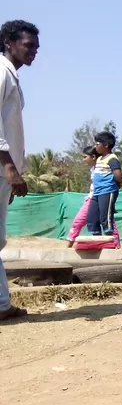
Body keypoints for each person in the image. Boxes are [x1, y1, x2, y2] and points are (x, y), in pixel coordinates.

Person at [0, 20, 39, 322]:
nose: (35, 51)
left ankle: (2, 304)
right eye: (29, 45)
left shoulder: (11, 76)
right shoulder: (1, 71)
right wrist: (9, 168)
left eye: (36, 46)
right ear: (9, 43)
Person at [67, 145, 119, 248]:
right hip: (92, 198)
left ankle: (115, 246)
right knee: (81, 222)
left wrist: (110, 200)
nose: (83, 160)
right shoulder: (93, 169)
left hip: (102, 197)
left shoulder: (105, 165)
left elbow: (114, 181)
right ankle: (98, 244)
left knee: (108, 222)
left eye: (85, 157)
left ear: (93, 157)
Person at [86, 131, 122, 238]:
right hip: (97, 192)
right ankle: (97, 239)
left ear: (105, 145)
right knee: (92, 217)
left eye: (97, 144)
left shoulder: (112, 158)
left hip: (107, 191)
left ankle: (109, 240)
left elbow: (118, 175)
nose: (95, 146)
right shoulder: (99, 159)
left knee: (105, 218)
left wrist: (116, 187)